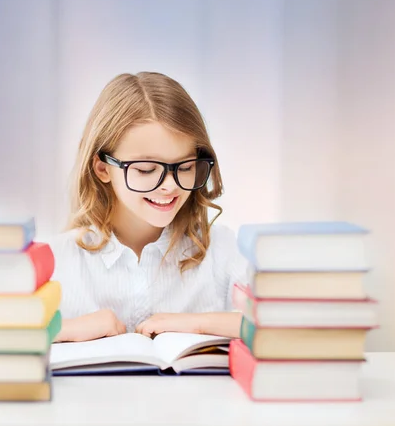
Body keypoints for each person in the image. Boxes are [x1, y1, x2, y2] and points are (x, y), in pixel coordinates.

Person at [49, 71, 251, 342]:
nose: (169, 186)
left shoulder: (224, 250)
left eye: (186, 167)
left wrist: (200, 324)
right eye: (146, 169)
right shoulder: (57, 261)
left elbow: (284, 325)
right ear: (102, 168)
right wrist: (64, 330)